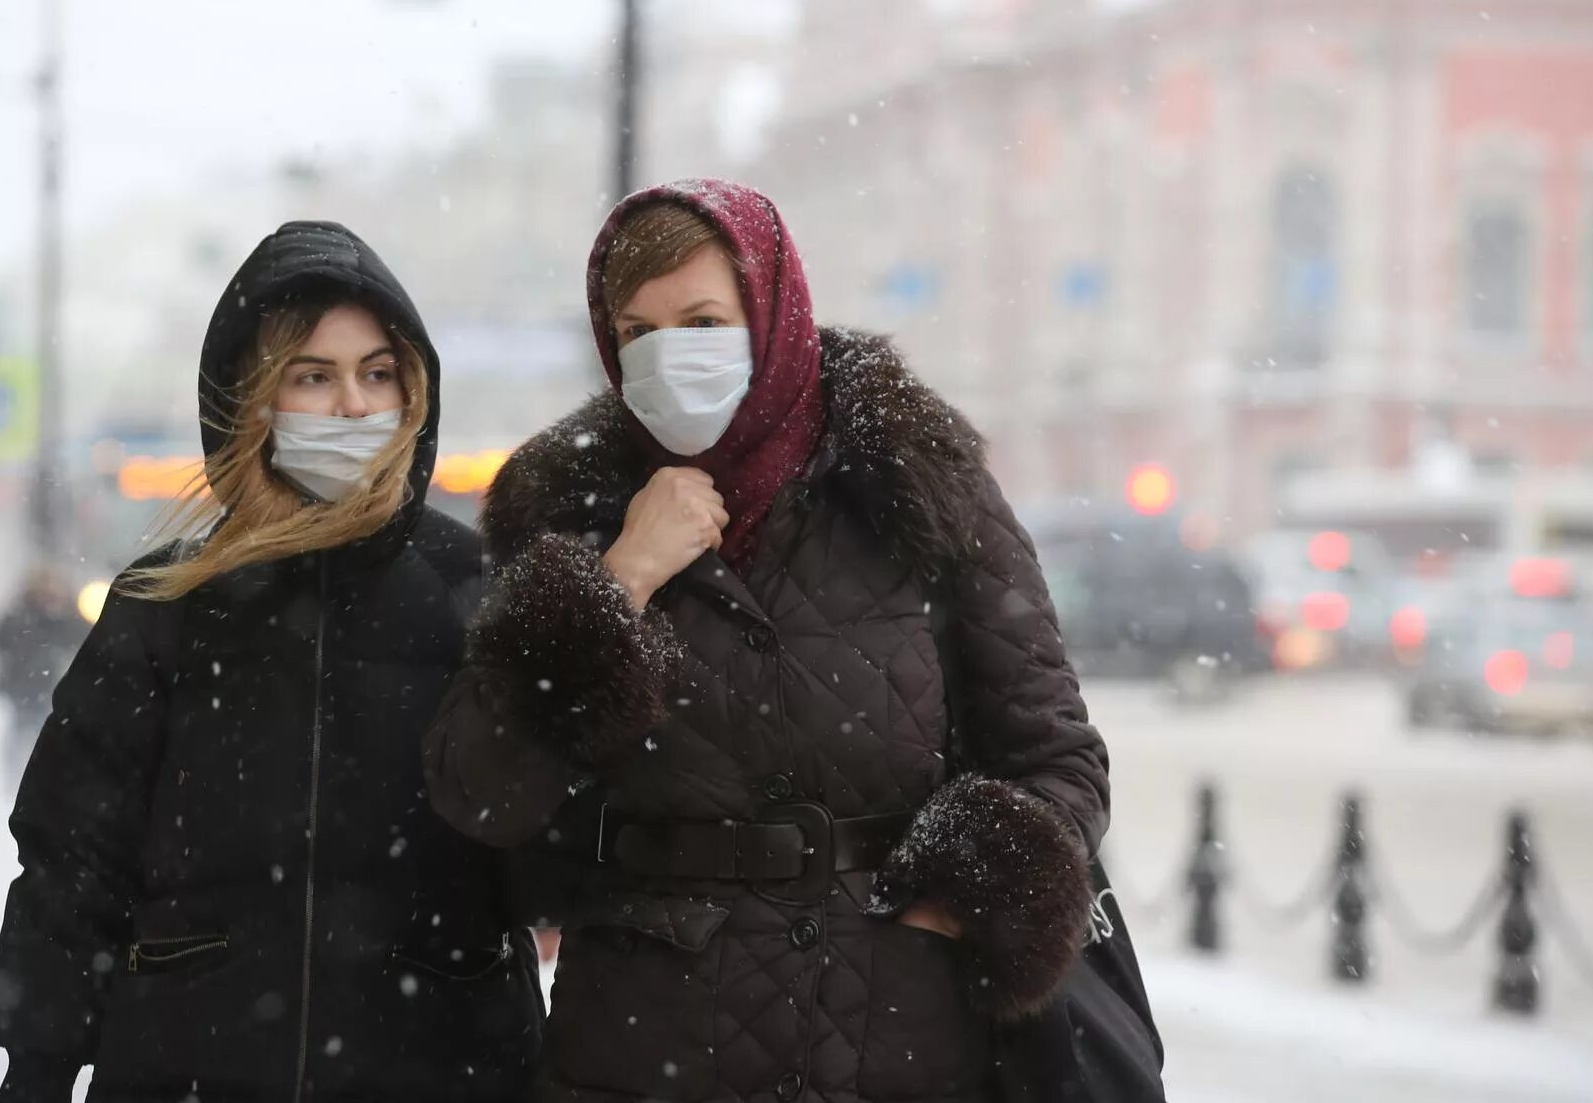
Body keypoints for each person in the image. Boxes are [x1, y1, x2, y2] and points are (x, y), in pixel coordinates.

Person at [425, 179, 1110, 1103]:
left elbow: (1057, 756)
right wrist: (619, 579)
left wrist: (965, 897)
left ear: (772, 314)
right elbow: (482, 790)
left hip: (895, 1039)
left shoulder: (913, 478)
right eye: (639, 332)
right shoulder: (565, 504)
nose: (672, 356)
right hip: (644, 1044)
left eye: (704, 321)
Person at [0, 221, 543, 1103]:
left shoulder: (472, 587)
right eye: (313, 376)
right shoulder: (166, 603)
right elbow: (71, 864)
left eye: (377, 373)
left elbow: (543, 846)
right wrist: (38, 1070)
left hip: (437, 1068)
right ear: (253, 399)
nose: (355, 406)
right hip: (193, 1069)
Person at [0, 566, 85, 790]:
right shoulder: (19, 614)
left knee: (43, 733)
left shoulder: (64, 615)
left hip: (50, 685)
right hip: (24, 684)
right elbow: (1, 638)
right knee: (20, 730)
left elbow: (80, 638)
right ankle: (15, 779)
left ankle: (39, 778)